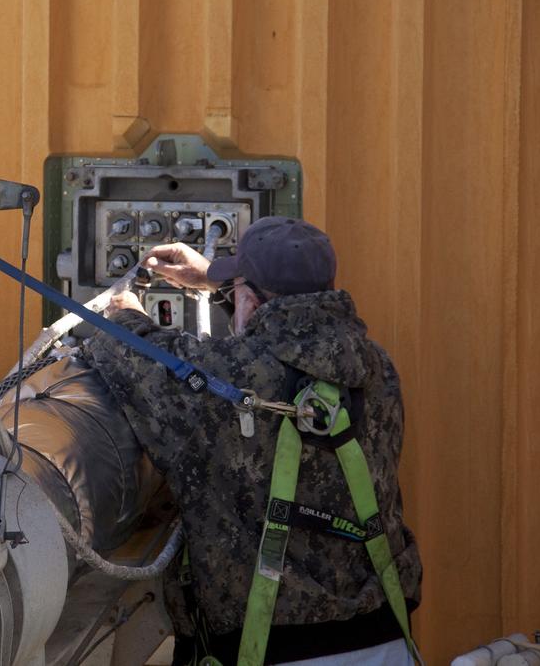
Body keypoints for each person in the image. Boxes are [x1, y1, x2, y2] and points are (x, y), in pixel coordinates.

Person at [86, 216, 423, 666]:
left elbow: (132, 355)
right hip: (384, 635)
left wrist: (125, 312)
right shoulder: (377, 367)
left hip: (273, 648)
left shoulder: (231, 379)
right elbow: (290, 350)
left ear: (248, 297)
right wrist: (213, 281)